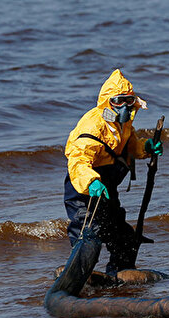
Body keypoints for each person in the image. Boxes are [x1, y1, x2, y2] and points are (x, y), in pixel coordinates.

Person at [64, 69, 163, 276]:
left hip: (107, 188)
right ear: (108, 102)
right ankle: (77, 278)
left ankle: (120, 275)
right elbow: (78, 161)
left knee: (123, 236)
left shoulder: (123, 124)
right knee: (88, 236)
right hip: (84, 189)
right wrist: (91, 181)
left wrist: (145, 147)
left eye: (128, 100)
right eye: (118, 101)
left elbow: (129, 145)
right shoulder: (93, 126)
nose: (124, 106)